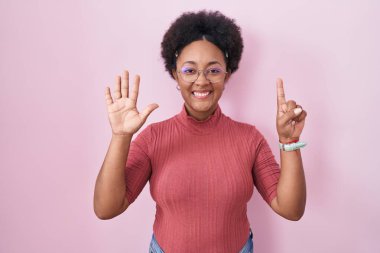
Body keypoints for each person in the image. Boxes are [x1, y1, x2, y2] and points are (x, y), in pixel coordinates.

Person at [93, 10, 307, 253]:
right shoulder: (154, 138)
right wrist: (121, 137)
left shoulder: (249, 139)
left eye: (213, 70)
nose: (202, 81)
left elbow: (291, 209)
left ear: (227, 75)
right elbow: (106, 208)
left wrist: (289, 141)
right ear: (175, 74)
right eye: (190, 70)